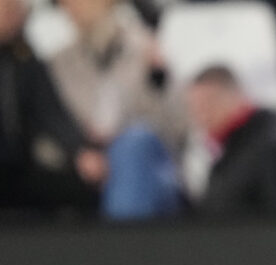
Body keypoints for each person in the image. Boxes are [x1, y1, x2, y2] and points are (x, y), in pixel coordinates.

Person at [50, 0, 185, 219]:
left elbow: (179, 130)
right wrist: (81, 152)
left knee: (133, 145)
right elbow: (48, 131)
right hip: (87, 172)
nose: (72, 6)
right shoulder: (59, 64)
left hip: (150, 169)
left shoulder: (146, 49)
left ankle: (119, 247)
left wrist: (158, 80)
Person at [0, 0, 104, 217]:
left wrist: (80, 150)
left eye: (15, 10)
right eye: (7, 9)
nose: (13, 16)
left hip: (17, 167)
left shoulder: (25, 61)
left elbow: (51, 113)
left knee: (80, 191)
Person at [184, 64, 276, 216]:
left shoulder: (274, 143)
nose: (202, 116)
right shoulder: (228, 147)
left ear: (235, 95)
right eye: (196, 108)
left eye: (209, 104)